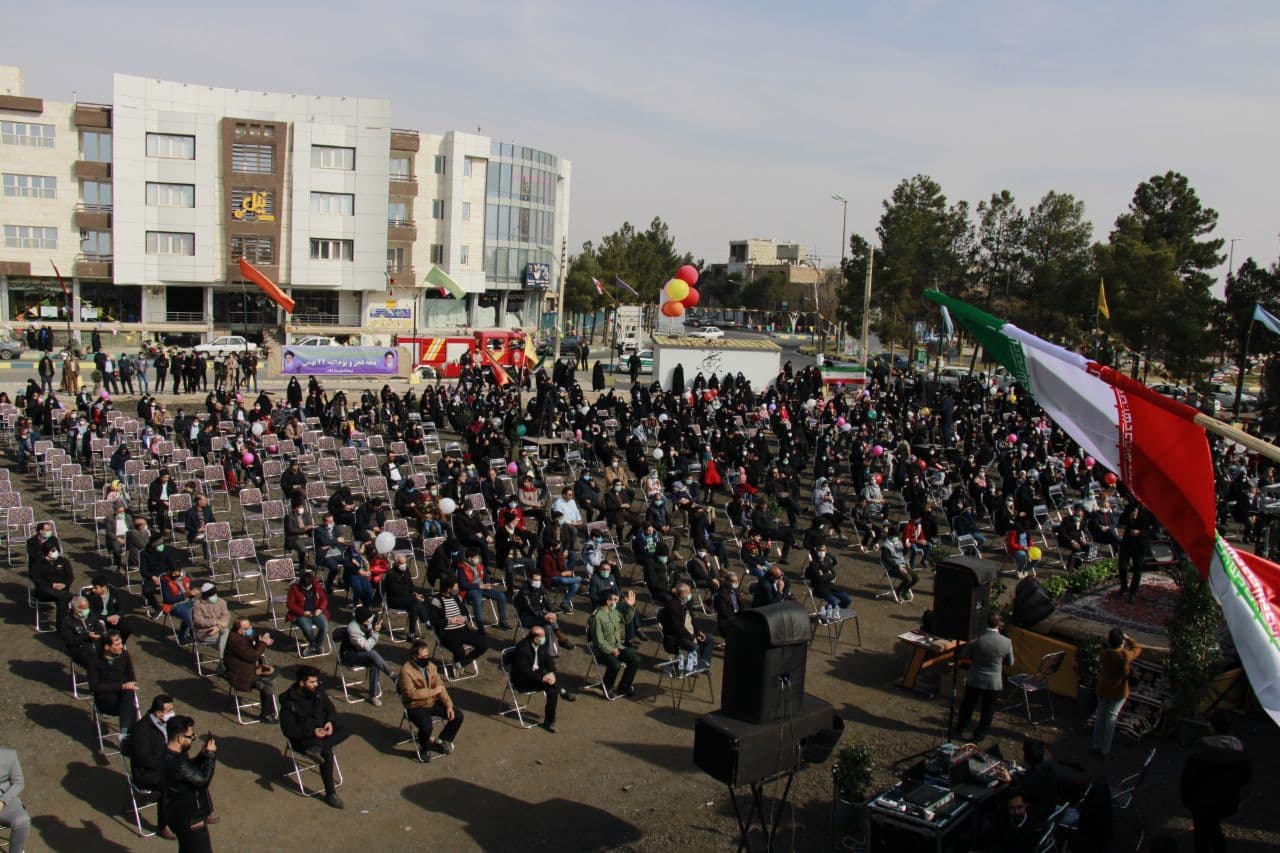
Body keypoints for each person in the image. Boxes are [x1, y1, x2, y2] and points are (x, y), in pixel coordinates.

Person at [1180, 712, 1252, 853]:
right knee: (1212, 827)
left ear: (1211, 727)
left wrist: (1187, 798)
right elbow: (1246, 776)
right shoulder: (1240, 749)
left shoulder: (1201, 749)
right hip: (1227, 799)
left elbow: (1188, 778)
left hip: (1201, 800)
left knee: (1203, 832)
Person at [279, 666, 350, 809]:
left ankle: (318, 748)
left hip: (322, 731)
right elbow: (289, 730)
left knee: (346, 728)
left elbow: (330, 709)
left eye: (316, 681)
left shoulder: (317, 692)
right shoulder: (289, 703)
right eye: (312, 682)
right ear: (301, 683)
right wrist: (312, 732)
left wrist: (330, 722)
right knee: (327, 752)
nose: (316, 684)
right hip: (304, 738)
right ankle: (330, 793)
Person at [952, 613, 1014, 742]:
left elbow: (963, 655)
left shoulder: (977, 640)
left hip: (975, 679)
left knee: (968, 706)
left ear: (985, 623)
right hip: (993, 682)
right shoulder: (1006, 642)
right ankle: (979, 735)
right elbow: (1011, 662)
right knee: (988, 709)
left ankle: (960, 729)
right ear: (999, 624)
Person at [397, 639, 463, 756]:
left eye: (427, 655)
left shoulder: (431, 667)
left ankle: (443, 740)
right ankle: (424, 748)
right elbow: (411, 694)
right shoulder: (405, 671)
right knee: (427, 727)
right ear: (414, 656)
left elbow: (440, 687)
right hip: (415, 706)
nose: (426, 658)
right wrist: (433, 692)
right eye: (423, 656)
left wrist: (448, 705)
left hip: (431, 702)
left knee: (457, 715)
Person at [161, 715, 218, 850]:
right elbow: (202, 781)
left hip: (175, 814)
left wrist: (202, 754)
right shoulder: (178, 763)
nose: (193, 739)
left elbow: (188, 769)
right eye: (191, 736)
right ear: (180, 738)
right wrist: (210, 756)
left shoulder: (166, 754)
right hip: (190, 819)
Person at [127, 694, 178, 840]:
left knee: (191, 773)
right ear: (158, 713)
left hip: (165, 765)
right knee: (169, 784)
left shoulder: (166, 723)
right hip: (146, 773)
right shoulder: (142, 730)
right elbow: (144, 759)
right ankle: (163, 826)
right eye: (169, 710)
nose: (172, 713)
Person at [511, 625, 575, 733]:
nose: (544, 638)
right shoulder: (522, 649)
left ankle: (549, 721)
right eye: (542, 636)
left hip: (538, 673)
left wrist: (551, 673)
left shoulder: (540, 644)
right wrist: (542, 678)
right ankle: (563, 692)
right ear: (535, 638)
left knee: (552, 689)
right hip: (523, 680)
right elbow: (525, 672)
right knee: (551, 686)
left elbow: (548, 659)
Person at [1093, 627, 1141, 758]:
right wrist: (1128, 638)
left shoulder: (1104, 653)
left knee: (1100, 716)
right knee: (1111, 718)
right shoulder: (1123, 655)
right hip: (1118, 691)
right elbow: (1137, 648)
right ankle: (1105, 750)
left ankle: (1096, 745)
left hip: (1103, 688)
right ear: (1122, 643)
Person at [428, 577, 490, 670]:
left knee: (483, 644)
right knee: (460, 652)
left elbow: (465, 613)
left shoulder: (457, 598)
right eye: (455, 587)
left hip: (463, 630)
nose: (457, 589)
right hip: (447, 633)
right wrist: (450, 621)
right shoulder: (436, 601)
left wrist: (464, 618)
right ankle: (458, 664)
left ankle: (461, 663)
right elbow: (434, 621)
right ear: (448, 589)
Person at [224, 617, 278, 723]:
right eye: (246, 628)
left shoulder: (243, 634)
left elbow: (253, 636)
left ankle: (267, 710)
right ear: (239, 630)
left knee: (274, 673)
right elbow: (252, 656)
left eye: (250, 626)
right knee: (267, 687)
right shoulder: (236, 641)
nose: (250, 629)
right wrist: (263, 643)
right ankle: (266, 714)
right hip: (240, 675)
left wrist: (261, 639)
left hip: (249, 669)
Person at [88, 630, 140, 739]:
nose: (122, 646)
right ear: (107, 647)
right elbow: (94, 687)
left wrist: (127, 686)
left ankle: (125, 734)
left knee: (129, 694)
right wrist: (121, 686)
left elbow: (131, 678)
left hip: (124, 698)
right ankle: (128, 736)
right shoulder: (94, 661)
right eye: (117, 644)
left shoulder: (124, 655)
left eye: (121, 643)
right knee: (131, 708)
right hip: (106, 701)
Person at [588, 591, 640, 697]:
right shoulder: (596, 617)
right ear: (608, 602)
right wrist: (612, 650)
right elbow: (599, 641)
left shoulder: (613, 611)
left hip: (617, 647)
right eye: (615, 600)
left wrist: (631, 606)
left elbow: (626, 619)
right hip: (602, 651)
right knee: (616, 665)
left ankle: (624, 686)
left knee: (635, 659)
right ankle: (606, 687)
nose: (618, 602)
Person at [341, 606, 396, 706]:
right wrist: (376, 632)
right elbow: (366, 646)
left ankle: (373, 695)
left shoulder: (365, 621)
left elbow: (370, 626)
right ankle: (392, 674)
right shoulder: (353, 629)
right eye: (368, 620)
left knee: (374, 664)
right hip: (350, 654)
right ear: (362, 620)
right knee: (372, 654)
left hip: (361, 652)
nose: (369, 621)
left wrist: (374, 627)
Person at [662, 582, 716, 671]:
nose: (690, 594)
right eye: (689, 592)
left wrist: (698, 632)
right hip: (677, 637)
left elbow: (692, 620)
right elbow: (678, 628)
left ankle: (703, 664)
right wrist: (691, 638)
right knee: (695, 647)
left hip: (690, 633)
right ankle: (679, 667)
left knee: (709, 640)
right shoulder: (673, 606)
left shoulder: (685, 603)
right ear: (683, 594)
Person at [384, 555, 431, 641]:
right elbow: (397, 592)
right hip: (395, 600)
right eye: (402, 563)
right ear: (396, 563)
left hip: (409, 600)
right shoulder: (391, 574)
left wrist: (414, 593)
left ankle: (411, 634)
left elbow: (411, 585)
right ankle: (427, 621)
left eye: (405, 562)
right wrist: (413, 596)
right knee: (415, 601)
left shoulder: (406, 571)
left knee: (415, 606)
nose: (404, 565)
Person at [286, 569, 331, 656]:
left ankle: (314, 647)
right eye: (305, 587)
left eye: (309, 586)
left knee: (325, 627)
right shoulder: (294, 589)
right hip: (300, 615)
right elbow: (290, 605)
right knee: (307, 628)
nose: (307, 588)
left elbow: (323, 598)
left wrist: (320, 609)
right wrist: (303, 612)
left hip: (316, 612)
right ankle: (315, 644)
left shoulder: (316, 586)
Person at [191, 582, 231, 663]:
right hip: (205, 633)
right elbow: (198, 621)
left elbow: (226, 616)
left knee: (227, 635)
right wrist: (215, 622)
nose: (215, 596)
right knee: (230, 642)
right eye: (213, 594)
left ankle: (223, 663)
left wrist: (218, 627)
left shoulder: (221, 602)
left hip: (220, 630)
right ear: (207, 596)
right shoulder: (198, 605)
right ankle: (224, 663)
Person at [879, 524, 919, 601]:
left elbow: (902, 554)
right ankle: (899, 592)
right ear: (890, 536)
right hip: (892, 568)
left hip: (902, 565)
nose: (897, 538)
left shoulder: (898, 542)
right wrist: (898, 567)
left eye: (897, 536)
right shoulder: (885, 546)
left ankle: (904, 590)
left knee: (916, 577)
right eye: (895, 536)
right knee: (908, 579)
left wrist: (906, 548)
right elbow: (887, 560)